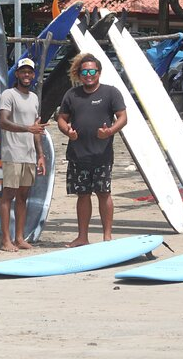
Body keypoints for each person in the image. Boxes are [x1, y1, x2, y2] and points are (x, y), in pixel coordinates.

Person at [57, 53, 127, 247]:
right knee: (83, 195)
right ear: (79, 74)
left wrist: (110, 131)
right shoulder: (72, 94)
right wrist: (67, 131)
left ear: (99, 72)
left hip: (102, 155)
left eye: (92, 71)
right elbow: (61, 118)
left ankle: (107, 236)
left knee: (104, 193)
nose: (88, 75)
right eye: (84, 72)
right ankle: (82, 237)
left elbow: (123, 117)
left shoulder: (111, 92)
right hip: (78, 155)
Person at [0, 58, 47, 252]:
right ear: (17, 74)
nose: (27, 75)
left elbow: (36, 131)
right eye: (23, 72)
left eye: (30, 72)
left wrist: (41, 155)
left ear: (33, 75)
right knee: (8, 196)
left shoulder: (34, 98)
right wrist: (28, 128)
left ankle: (19, 238)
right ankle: (5, 240)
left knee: (23, 196)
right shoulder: (9, 94)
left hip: (29, 154)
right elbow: (3, 121)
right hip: (12, 152)